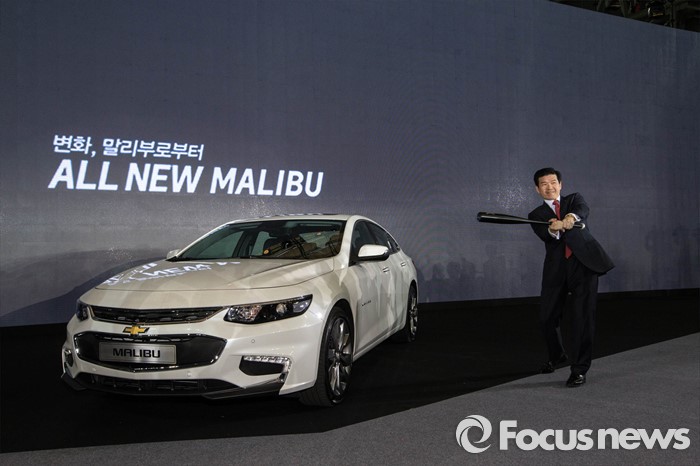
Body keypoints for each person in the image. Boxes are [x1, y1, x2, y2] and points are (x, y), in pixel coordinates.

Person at [528, 167, 614, 387]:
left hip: (583, 265)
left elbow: (581, 210)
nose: (549, 187)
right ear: (537, 189)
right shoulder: (536, 215)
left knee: (583, 318)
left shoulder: (574, 200)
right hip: (556, 269)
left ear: (560, 184)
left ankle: (579, 369)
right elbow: (545, 235)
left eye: (553, 182)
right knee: (547, 318)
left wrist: (568, 218)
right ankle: (557, 355)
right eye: (544, 184)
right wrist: (553, 229)